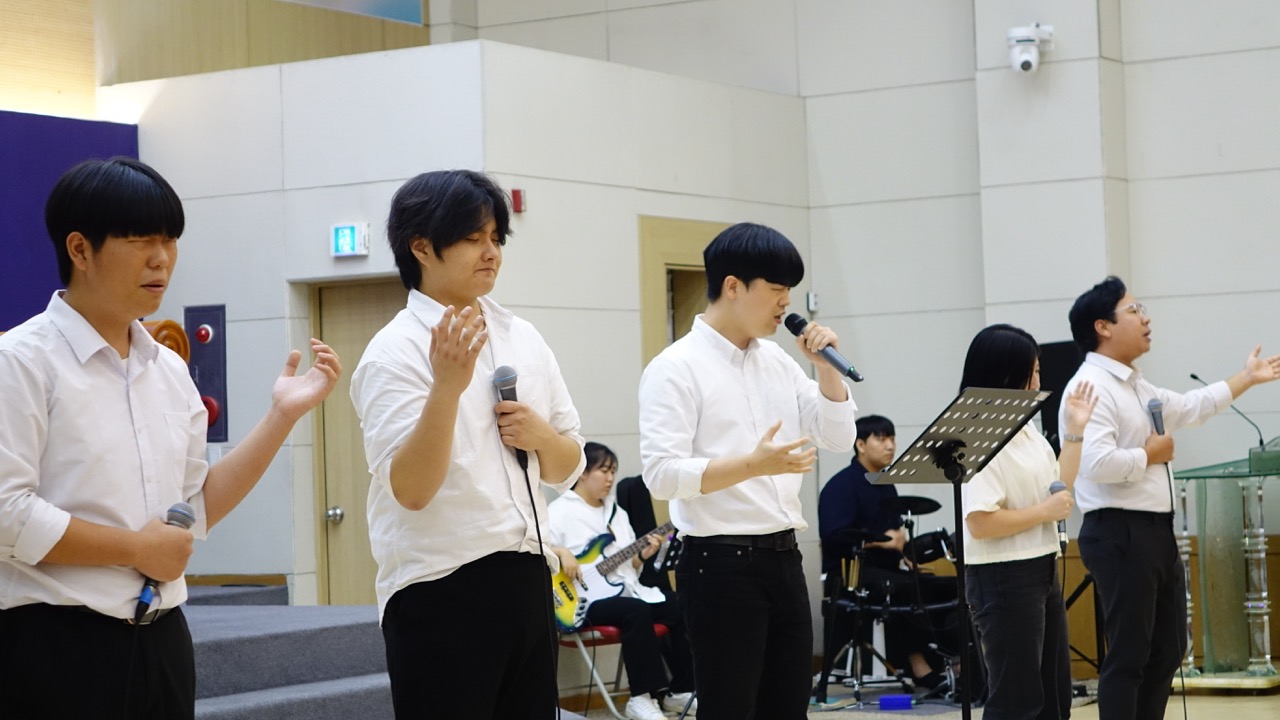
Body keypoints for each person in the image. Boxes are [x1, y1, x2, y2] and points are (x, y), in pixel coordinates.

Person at [0, 157, 341, 719]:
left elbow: (195, 507)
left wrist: (281, 416)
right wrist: (136, 550)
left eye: (169, 240)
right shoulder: (21, 361)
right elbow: (8, 514)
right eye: (140, 240)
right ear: (80, 249)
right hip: (55, 643)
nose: (161, 258)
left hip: (162, 640)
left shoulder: (170, 369)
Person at [350, 169, 586, 720]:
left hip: (529, 578)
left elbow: (567, 466)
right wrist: (447, 389)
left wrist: (543, 437)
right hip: (440, 591)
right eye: (473, 238)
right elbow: (411, 490)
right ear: (421, 247)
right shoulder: (393, 352)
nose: (491, 252)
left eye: (496, 238)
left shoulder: (523, 337)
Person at [639, 222, 856, 720]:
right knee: (731, 708)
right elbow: (661, 474)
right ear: (733, 286)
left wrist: (825, 369)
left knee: (787, 707)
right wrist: (751, 466)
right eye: (776, 288)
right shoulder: (675, 367)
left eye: (790, 290)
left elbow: (838, 437)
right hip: (719, 565)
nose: (786, 302)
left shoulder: (777, 361)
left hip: (785, 558)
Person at [1060, 276, 1280, 720]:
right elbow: (1093, 464)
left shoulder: (1136, 385)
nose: (1146, 318)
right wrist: (1148, 454)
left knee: (1169, 647)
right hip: (1119, 529)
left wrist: (1246, 378)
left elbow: (1193, 406)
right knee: (1129, 654)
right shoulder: (1090, 387)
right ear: (1103, 326)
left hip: (1155, 531)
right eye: (1134, 310)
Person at [959, 324, 1097, 720]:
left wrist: (1075, 432)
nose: (1038, 382)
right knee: (1016, 701)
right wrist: (1044, 513)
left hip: (1040, 566)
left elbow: (1058, 486)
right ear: (1005, 374)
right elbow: (980, 522)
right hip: (1002, 575)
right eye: (1031, 372)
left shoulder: (1025, 428)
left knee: (1054, 698)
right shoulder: (975, 431)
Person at [548, 442, 696, 720]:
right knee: (635, 611)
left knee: (680, 604)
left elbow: (629, 570)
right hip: (581, 602)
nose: (610, 478)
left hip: (624, 592)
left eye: (613, 471)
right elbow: (537, 549)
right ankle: (641, 697)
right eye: (603, 471)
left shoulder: (618, 514)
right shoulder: (558, 512)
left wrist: (641, 556)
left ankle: (680, 691)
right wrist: (561, 552)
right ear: (583, 473)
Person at [817, 414, 949, 688]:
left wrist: (905, 557)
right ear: (860, 445)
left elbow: (895, 535)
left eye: (892, 439)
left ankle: (948, 661)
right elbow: (833, 536)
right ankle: (918, 666)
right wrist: (882, 542)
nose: (890, 446)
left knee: (944, 586)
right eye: (881, 439)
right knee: (906, 589)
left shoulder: (886, 483)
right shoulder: (840, 486)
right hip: (851, 571)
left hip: (887, 568)